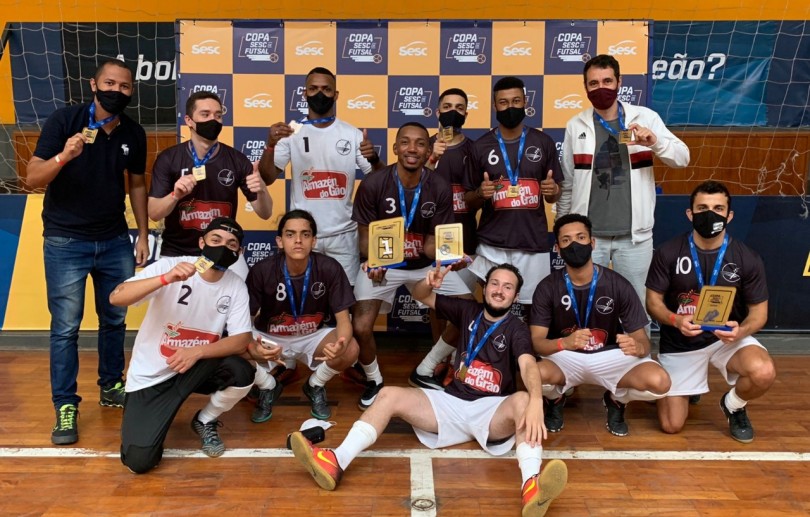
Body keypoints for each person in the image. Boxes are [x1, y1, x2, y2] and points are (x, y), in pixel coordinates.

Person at [289, 263, 568, 517]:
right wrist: (428, 282)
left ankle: (531, 486)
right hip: (450, 403)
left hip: (491, 411)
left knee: (522, 400)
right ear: (485, 287)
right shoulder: (467, 310)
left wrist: (534, 401)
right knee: (388, 394)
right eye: (495, 283)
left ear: (515, 297)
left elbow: (529, 365)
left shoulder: (517, 329)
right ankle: (336, 460)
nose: (499, 290)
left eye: (508, 287)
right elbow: (423, 295)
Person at [26, 58, 150, 445]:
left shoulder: (134, 132)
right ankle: (65, 405)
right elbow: (31, 178)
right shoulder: (64, 121)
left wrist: (142, 234)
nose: (117, 90)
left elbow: (137, 186)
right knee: (65, 329)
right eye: (110, 83)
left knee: (114, 322)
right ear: (93, 85)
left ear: (131, 91)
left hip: (114, 240)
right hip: (65, 242)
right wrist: (64, 156)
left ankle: (111, 385)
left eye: (125, 86)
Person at [111, 218, 256, 473]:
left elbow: (241, 339)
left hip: (195, 366)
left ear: (239, 252)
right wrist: (165, 279)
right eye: (216, 240)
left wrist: (197, 351)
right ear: (202, 243)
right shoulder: (171, 266)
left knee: (243, 371)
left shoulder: (235, 284)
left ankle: (204, 420)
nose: (224, 247)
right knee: (139, 462)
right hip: (151, 377)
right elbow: (117, 296)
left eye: (232, 244)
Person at [350, 122, 470, 410]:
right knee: (362, 325)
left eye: (419, 143)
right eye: (405, 142)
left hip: (422, 266)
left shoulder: (439, 187)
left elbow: (431, 243)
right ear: (395, 148)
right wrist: (375, 259)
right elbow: (365, 239)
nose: (412, 149)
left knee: (469, 311)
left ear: (428, 150)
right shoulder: (373, 184)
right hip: (384, 264)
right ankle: (374, 380)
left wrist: (447, 256)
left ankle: (425, 369)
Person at [557, 54, 690, 312]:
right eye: (593, 83)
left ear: (619, 82)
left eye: (607, 81)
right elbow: (569, 184)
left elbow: (683, 158)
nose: (601, 88)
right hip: (588, 237)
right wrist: (564, 232)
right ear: (585, 87)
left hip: (634, 237)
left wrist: (655, 142)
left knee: (638, 306)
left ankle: (640, 354)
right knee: (583, 305)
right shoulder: (576, 125)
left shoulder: (645, 117)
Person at [646, 181, 776, 443]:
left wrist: (741, 331)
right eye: (702, 208)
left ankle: (734, 405)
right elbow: (653, 302)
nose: (710, 214)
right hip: (682, 341)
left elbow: (759, 314)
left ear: (729, 216)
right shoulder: (669, 252)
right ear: (690, 214)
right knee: (671, 426)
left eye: (718, 208)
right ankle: (682, 384)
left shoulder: (746, 257)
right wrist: (675, 319)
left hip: (725, 338)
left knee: (763, 371)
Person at [529, 214, 671, 436]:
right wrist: (563, 343)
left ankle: (617, 400)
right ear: (557, 248)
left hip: (609, 356)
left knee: (660, 382)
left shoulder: (618, 284)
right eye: (566, 240)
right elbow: (537, 343)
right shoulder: (547, 287)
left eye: (581, 237)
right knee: (531, 373)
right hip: (566, 357)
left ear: (592, 243)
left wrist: (638, 347)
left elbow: (642, 340)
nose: (574, 244)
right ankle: (555, 398)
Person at [258, 66, 385, 285]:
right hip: (304, 235)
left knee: (345, 300)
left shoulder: (352, 134)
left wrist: (373, 159)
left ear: (336, 95)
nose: (320, 94)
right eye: (313, 88)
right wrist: (270, 146)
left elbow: (382, 181)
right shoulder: (291, 133)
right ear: (304, 93)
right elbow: (267, 178)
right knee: (304, 297)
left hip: (343, 234)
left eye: (326, 89)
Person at [246, 209, 359, 421]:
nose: (298, 240)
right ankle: (268, 386)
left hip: (311, 337)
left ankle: (315, 384)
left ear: (314, 241)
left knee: (351, 347)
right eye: (290, 234)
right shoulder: (262, 270)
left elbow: (344, 320)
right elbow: (245, 322)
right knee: (235, 348)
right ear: (279, 241)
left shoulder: (330, 267)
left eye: (305, 235)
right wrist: (253, 347)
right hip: (271, 337)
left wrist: (341, 344)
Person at [148, 91, 273, 280]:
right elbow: (154, 213)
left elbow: (265, 213)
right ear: (189, 120)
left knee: (241, 299)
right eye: (205, 115)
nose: (213, 120)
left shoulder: (237, 160)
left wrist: (261, 189)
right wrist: (175, 195)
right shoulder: (168, 159)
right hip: (177, 252)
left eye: (218, 115)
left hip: (222, 250)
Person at [464, 76, 563, 313]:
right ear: (494, 106)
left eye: (516, 100)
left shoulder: (543, 141)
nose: (510, 107)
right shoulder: (480, 146)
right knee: (493, 306)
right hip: (492, 244)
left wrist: (553, 191)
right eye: (504, 102)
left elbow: (553, 195)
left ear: (525, 102)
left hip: (532, 244)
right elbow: (467, 201)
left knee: (534, 311)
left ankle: (528, 351)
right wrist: (480, 192)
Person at [411, 88, 479, 391]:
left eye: (459, 107)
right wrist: (432, 158)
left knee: (462, 307)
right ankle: (436, 361)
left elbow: (479, 196)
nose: (453, 111)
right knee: (438, 306)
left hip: (466, 239)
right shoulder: (422, 146)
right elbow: (410, 190)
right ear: (437, 113)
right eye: (447, 106)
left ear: (466, 113)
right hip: (431, 241)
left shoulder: (474, 150)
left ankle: (455, 361)